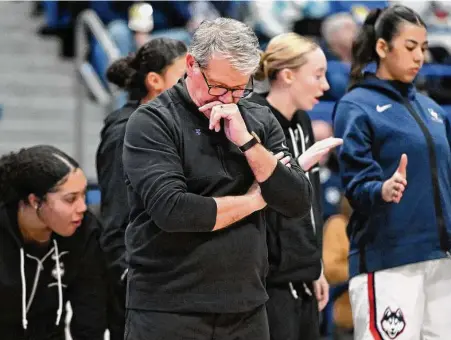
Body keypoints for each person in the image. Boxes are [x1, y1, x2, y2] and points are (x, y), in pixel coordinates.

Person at [122, 18, 312, 340]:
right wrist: (254, 200)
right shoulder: (152, 121)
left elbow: (295, 201)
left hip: (247, 307)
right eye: (219, 87)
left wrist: (249, 143)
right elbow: (174, 210)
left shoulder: (258, 118)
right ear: (192, 65)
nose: (227, 99)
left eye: (239, 89)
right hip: (168, 307)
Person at [333, 5, 451, 339]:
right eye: (410, 47)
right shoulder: (357, 105)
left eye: (424, 48)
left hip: (441, 260)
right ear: (382, 48)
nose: (420, 58)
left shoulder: (432, 109)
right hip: (388, 260)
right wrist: (381, 189)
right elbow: (355, 183)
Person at [248, 32, 342, 340]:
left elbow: (308, 204)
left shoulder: (302, 120)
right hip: (270, 283)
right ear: (287, 75)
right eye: (317, 75)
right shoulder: (255, 122)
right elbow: (259, 201)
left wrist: (314, 265)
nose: (326, 85)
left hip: (303, 274)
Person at [96, 37, 187, 340]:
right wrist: (130, 280)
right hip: (140, 290)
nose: (192, 85)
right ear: (155, 81)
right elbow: (115, 221)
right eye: (183, 77)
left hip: (173, 281)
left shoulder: (177, 127)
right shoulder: (125, 131)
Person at [0, 145, 107, 340]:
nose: (82, 207)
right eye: (70, 199)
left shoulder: (85, 232)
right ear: (34, 201)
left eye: (83, 195)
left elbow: (91, 313)